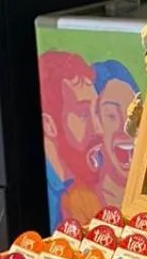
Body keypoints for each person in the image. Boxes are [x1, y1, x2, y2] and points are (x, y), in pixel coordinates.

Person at [38, 50, 102, 224]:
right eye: (83, 114)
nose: (99, 129)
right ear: (49, 125)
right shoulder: (41, 195)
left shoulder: (83, 192)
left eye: (97, 111)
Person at [90, 59, 138, 208]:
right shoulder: (79, 200)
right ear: (95, 121)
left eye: (132, 114)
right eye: (111, 115)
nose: (125, 126)